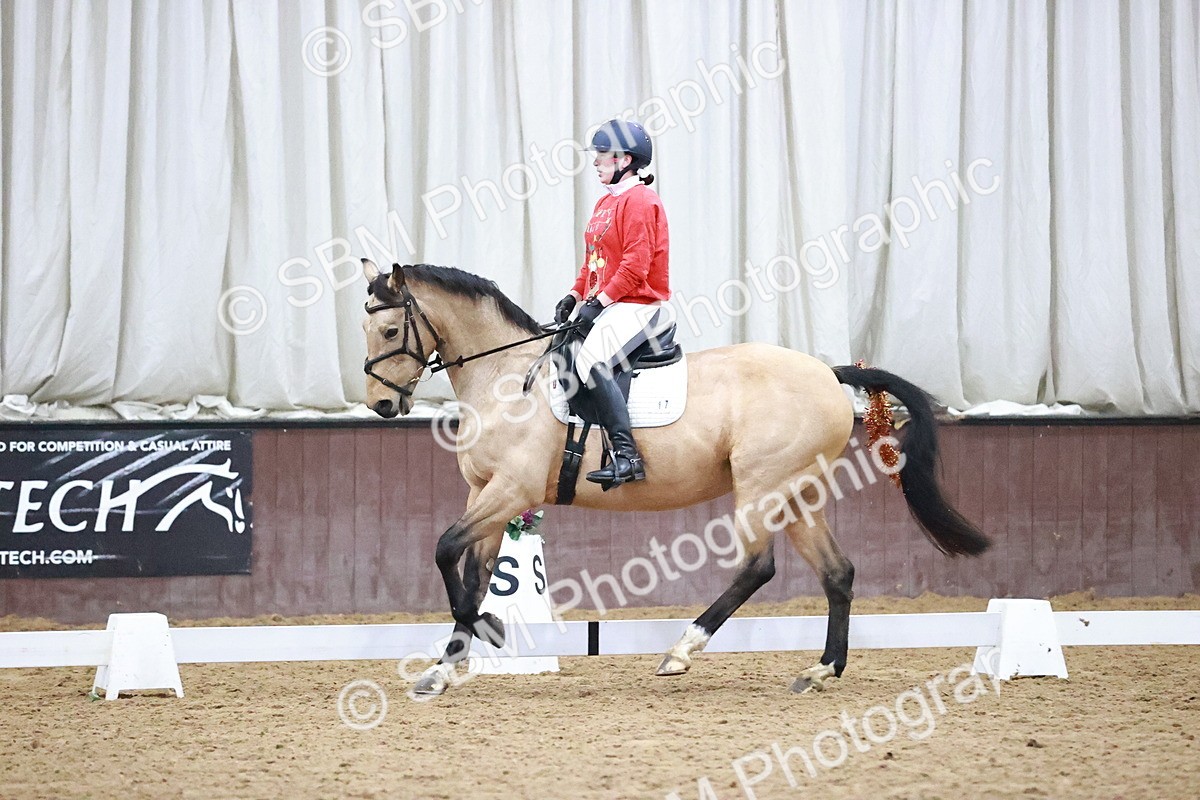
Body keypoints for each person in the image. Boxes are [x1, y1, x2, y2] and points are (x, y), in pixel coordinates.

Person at [553, 119, 673, 487]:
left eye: (602, 155)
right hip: (611, 303)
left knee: (591, 359)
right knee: (560, 348)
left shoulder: (641, 201)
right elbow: (593, 262)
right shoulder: (606, 202)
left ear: (625, 159)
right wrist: (575, 295)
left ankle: (626, 456)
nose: (595, 162)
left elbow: (635, 267)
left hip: (639, 304)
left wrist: (599, 302)